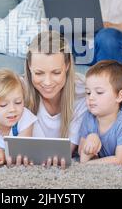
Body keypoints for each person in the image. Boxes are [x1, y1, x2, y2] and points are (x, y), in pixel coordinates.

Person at [18, 30, 88, 168]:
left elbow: (66, 151)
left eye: (56, 72)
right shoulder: (18, 90)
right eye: (39, 73)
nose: (48, 82)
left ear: (67, 66)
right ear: (29, 67)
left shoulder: (84, 93)